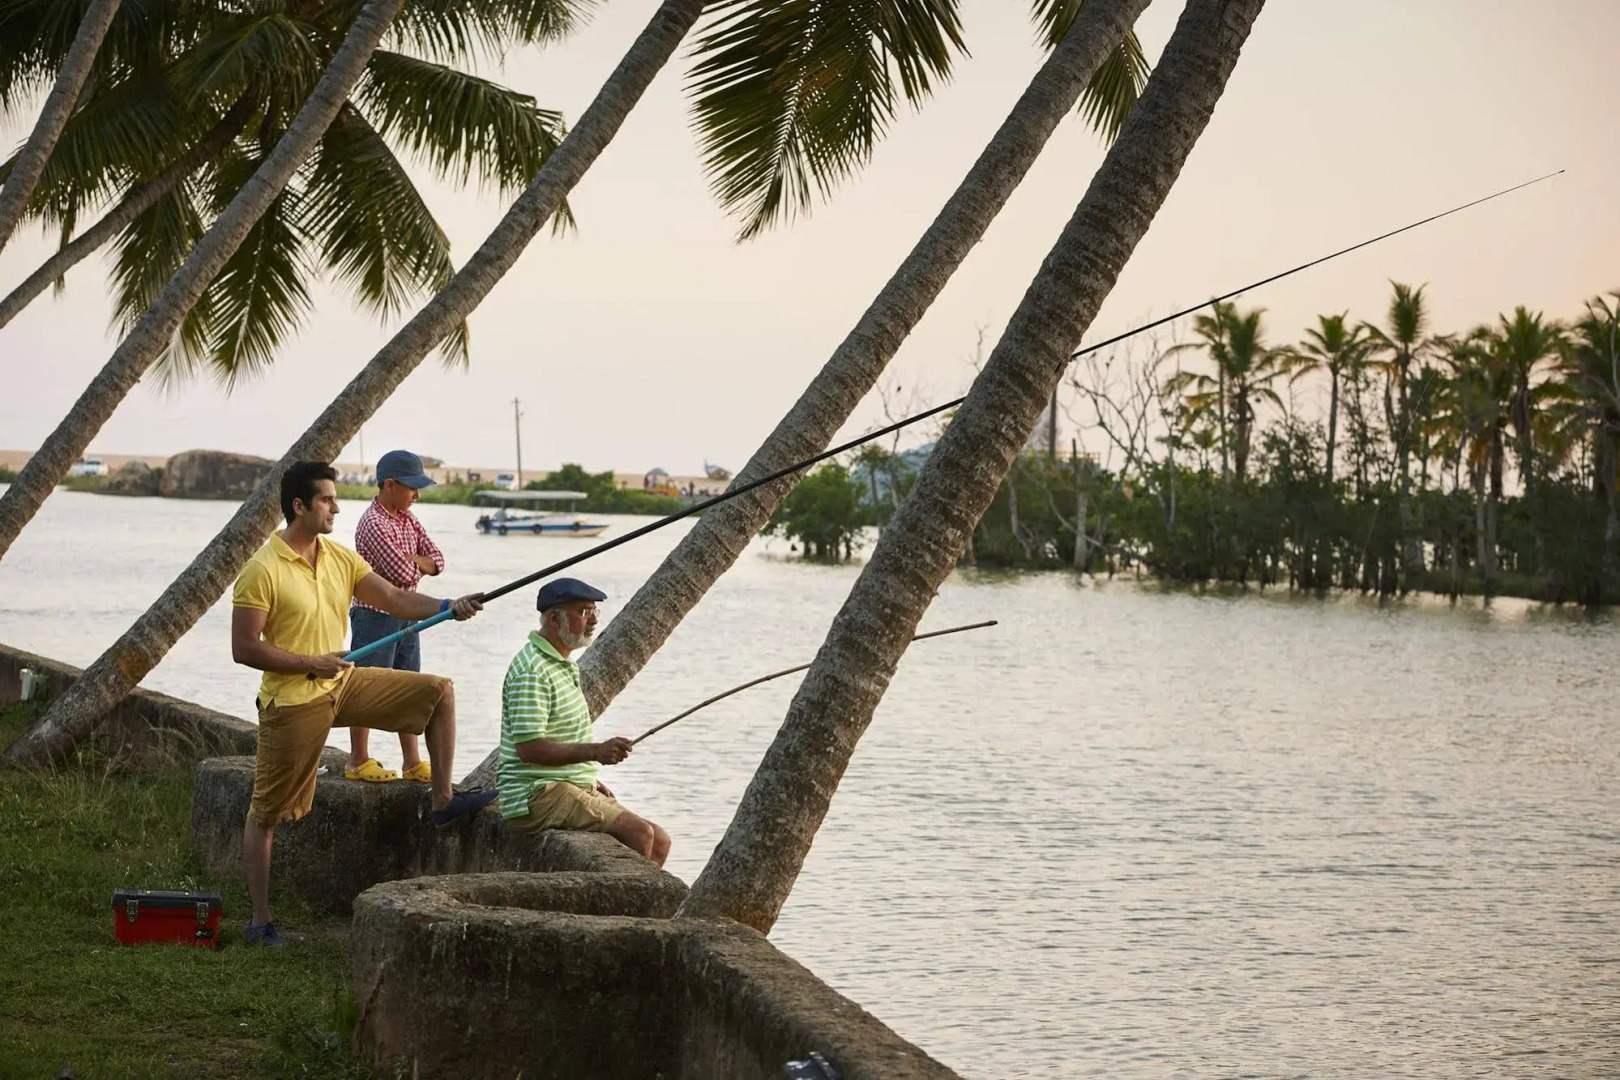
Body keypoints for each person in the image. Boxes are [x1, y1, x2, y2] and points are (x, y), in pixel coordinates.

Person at [231, 462, 497, 947]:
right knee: (266, 814)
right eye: (327, 500)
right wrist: (309, 663)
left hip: (344, 683)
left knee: (438, 691)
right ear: (300, 506)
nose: (336, 508)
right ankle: (260, 921)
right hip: (292, 700)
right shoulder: (261, 569)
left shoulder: (339, 557)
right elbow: (244, 648)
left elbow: (394, 598)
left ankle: (442, 801)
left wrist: (446, 607)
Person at [497, 578, 671, 866]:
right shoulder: (533, 671)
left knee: (660, 840)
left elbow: (559, 737)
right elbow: (529, 749)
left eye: (593, 611)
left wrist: (585, 777)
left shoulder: (562, 664)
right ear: (554, 618)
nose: (593, 620)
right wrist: (595, 752)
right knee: (639, 834)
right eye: (583, 612)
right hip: (535, 794)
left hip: (562, 785)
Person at [346, 449, 446, 784]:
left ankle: (412, 761)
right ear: (390, 485)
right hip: (374, 614)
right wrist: (417, 562)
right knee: (364, 685)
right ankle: (358, 759)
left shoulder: (407, 519)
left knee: (409, 683)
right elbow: (402, 572)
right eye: (412, 488)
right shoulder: (372, 524)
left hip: (408, 615)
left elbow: (438, 560)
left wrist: (415, 560)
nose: (417, 495)